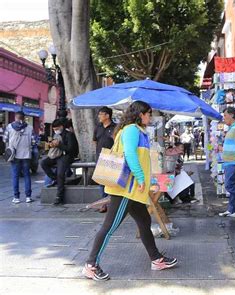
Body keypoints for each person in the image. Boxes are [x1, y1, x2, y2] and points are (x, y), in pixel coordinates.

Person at [83, 101, 177, 281]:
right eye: (148, 114)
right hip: (127, 189)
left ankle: (156, 259)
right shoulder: (132, 130)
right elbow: (130, 154)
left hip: (133, 190)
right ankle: (91, 265)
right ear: (140, 114)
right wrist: (141, 178)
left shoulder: (135, 130)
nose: (149, 117)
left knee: (144, 220)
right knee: (109, 226)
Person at [40, 119, 79, 205]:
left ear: (61, 126)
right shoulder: (55, 135)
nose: (55, 130)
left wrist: (59, 145)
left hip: (66, 156)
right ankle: (55, 179)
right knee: (43, 163)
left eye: (56, 128)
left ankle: (59, 196)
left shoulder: (69, 135)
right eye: (54, 129)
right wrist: (51, 145)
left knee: (60, 174)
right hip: (55, 155)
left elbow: (71, 149)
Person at [5, 111, 34, 203]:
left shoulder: (9, 127)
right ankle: (28, 197)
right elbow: (34, 142)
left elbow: (5, 139)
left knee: (15, 176)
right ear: (24, 118)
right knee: (27, 175)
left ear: (15, 117)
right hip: (26, 155)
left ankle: (16, 197)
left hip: (14, 155)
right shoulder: (30, 128)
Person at [93, 107, 116, 213]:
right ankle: (103, 203)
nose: (99, 116)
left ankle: (112, 203)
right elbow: (95, 141)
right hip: (100, 158)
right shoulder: (97, 127)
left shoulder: (115, 127)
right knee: (102, 181)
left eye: (101, 114)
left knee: (112, 181)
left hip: (112, 158)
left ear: (107, 115)